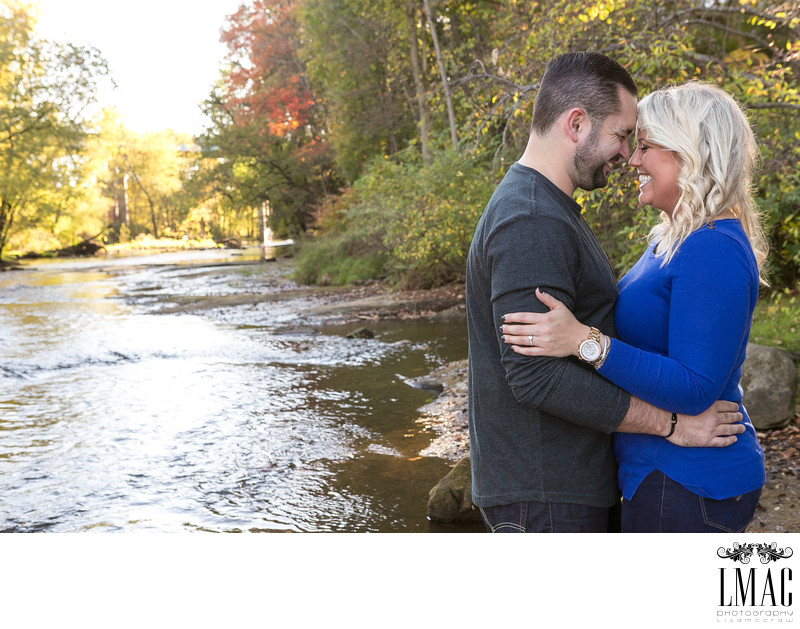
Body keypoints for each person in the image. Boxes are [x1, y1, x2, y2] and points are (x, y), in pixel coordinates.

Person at [466, 51, 745, 534]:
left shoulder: (549, 212)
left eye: (638, 142)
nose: (626, 154)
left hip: (566, 485)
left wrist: (585, 341)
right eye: (620, 135)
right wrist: (672, 425)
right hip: (546, 492)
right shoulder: (530, 220)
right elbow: (535, 378)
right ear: (576, 124)